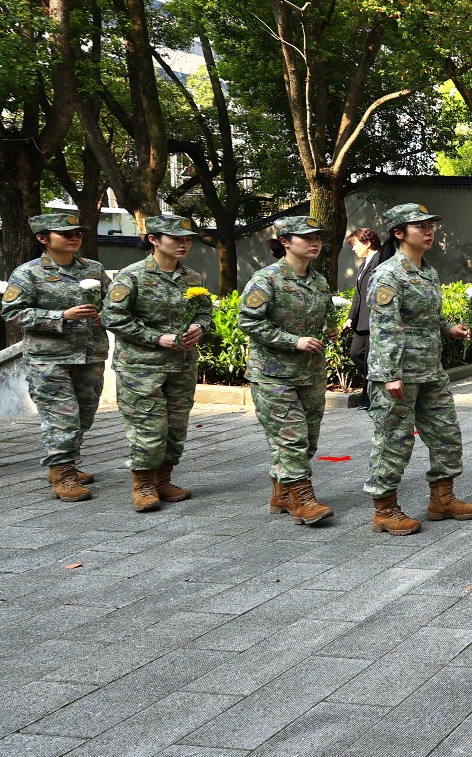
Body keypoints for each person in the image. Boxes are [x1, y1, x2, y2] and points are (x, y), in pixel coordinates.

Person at [363, 203, 472, 535]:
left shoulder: (427, 272)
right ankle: (384, 510)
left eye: (430, 226)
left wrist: (448, 328)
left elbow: (429, 317)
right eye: (420, 227)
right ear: (399, 233)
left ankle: (442, 500)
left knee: (446, 435)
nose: (429, 231)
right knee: (394, 441)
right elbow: (384, 328)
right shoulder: (388, 274)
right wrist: (390, 375)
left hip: (430, 370)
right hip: (398, 374)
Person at [103, 215, 214, 512]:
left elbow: (205, 312)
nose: (183, 244)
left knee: (176, 428)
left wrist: (200, 326)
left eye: (187, 239)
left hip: (181, 365)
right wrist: (156, 338)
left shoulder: (193, 277)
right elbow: (112, 317)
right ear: (153, 239)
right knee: (147, 427)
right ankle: (143, 484)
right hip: (141, 368)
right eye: (175, 238)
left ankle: (163, 479)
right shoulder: (132, 276)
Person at [2, 213, 110, 502]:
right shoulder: (28, 273)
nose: (74, 238)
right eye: (65, 233)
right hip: (49, 358)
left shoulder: (94, 269)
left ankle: (61, 463)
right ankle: (64, 476)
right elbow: (12, 313)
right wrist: (61, 316)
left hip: (90, 354)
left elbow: (114, 303)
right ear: (42, 238)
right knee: (62, 417)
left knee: (84, 415)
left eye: (77, 233)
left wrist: (106, 315)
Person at [238, 216, 337, 526]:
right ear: (285, 242)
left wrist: (330, 328)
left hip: (310, 373)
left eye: (317, 237)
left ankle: (281, 493)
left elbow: (327, 312)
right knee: (291, 438)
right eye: (306, 237)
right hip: (273, 374)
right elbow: (248, 321)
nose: (314, 242)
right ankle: (303, 500)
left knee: (308, 439)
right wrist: (293, 341)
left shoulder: (318, 281)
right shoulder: (266, 279)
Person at [343, 227, 381, 410]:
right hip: (361, 321)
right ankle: (377, 389)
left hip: (375, 320)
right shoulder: (363, 265)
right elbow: (357, 296)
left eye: (355, 244)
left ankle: (369, 400)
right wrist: (350, 318)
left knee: (369, 361)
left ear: (367, 243)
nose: (353, 249)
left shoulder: (381, 261)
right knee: (356, 354)